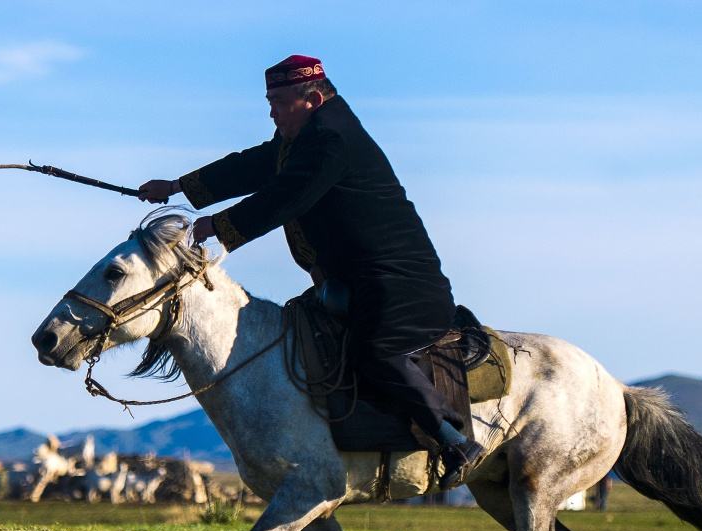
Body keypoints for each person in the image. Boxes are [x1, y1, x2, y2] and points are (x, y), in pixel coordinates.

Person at [138, 55, 483, 487]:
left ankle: (453, 440)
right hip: (352, 284)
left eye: (279, 102)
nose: (271, 111)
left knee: (375, 351)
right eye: (269, 101)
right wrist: (176, 188)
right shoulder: (301, 139)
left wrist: (214, 226)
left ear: (313, 99)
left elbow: (286, 197)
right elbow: (254, 165)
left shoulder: (333, 139)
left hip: (402, 288)